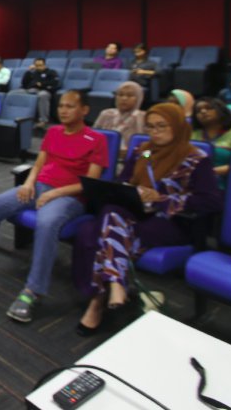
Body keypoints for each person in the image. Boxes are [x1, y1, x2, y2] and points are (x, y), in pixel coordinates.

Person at [0, 91, 109, 323]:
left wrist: (55, 193)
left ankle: (34, 291)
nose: (63, 110)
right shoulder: (53, 131)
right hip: (39, 187)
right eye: (61, 105)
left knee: (46, 221)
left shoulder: (97, 139)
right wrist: (29, 183)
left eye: (70, 106)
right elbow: (40, 162)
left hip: (69, 197)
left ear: (84, 110)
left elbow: (91, 182)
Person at [72, 103, 222, 336]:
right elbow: (123, 180)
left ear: (178, 126)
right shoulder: (144, 150)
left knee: (92, 233)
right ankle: (115, 283)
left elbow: (210, 201)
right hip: (131, 213)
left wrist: (162, 198)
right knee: (110, 212)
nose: (155, 131)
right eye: (150, 126)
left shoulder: (195, 159)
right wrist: (131, 191)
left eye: (162, 126)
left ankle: (98, 301)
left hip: (169, 221)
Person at [191, 97, 231, 189]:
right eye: (198, 111)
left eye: (209, 108)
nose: (203, 112)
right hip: (193, 183)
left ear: (221, 111)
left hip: (226, 185)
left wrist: (212, 172)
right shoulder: (190, 135)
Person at [92, 81, 146, 155]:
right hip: (102, 157)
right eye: (120, 95)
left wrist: (144, 157)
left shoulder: (143, 118)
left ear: (139, 98)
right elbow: (92, 138)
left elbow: (147, 152)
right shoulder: (106, 114)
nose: (124, 98)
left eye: (130, 95)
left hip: (132, 160)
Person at [18, 57, 60, 129]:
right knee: (16, 93)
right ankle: (21, 118)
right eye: (36, 65)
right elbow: (24, 83)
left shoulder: (51, 72)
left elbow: (55, 83)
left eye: (40, 65)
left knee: (42, 95)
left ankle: (43, 120)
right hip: (32, 89)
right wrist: (28, 71)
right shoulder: (33, 73)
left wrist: (42, 84)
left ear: (45, 65)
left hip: (45, 90)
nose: (38, 67)